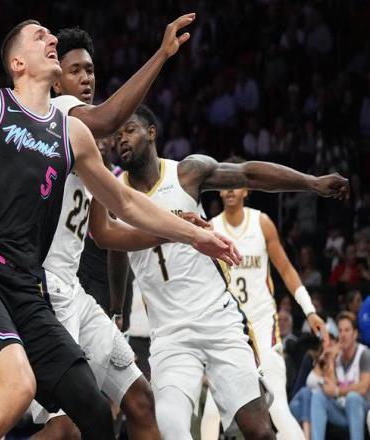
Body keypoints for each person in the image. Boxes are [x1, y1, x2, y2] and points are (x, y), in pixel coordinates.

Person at [0, 20, 237, 440]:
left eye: (51, 36)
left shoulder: (73, 133)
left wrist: (195, 235)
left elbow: (124, 203)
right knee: (18, 386)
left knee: (95, 413)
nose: (51, 39)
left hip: (28, 286)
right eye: (39, 36)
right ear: (17, 62)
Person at [88, 105, 349, 440]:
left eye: (130, 130)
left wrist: (311, 182)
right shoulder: (114, 193)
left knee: (259, 431)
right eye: (118, 134)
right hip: (169, 335)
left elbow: (249, 174)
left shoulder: (187, 173)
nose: (122, 139)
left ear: (151, 133)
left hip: (218, 320)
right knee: (170, 428)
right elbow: (116, 249)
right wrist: (117, 308)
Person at [31, 19, 199, 439]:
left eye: (90, 70)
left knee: (142, 402)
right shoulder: (57, 113)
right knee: (65, 430)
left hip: (73, 291)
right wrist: (162, 55)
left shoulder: (93, 153)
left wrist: (172, 230)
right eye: (75, 70)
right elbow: (108, 118)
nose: (86, 78)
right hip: (42, 291)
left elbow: (105, 233)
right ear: (56, 81)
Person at [202, 157, 329, 440]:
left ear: (246, 189)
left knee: (278, 410)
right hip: (228, 328)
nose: (230, 189)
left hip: (262, 325)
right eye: (225, 184)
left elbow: (286, 269)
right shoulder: (209, 228)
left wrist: (309, 310)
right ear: (219, 190)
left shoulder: (262, 223)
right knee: (212, 410)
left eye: (235, 183)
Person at [310, 311, 370, 440]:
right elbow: (330, 388)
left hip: (362, 410)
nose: (343, 334)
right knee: (318, 396)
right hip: (342, 410)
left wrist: (338, 391)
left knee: (353, 398)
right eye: (340, 330)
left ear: (355, 334)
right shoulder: (338, 356)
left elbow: (363, 387)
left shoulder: (364, 353)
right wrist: (331, 359)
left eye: (347, 330)